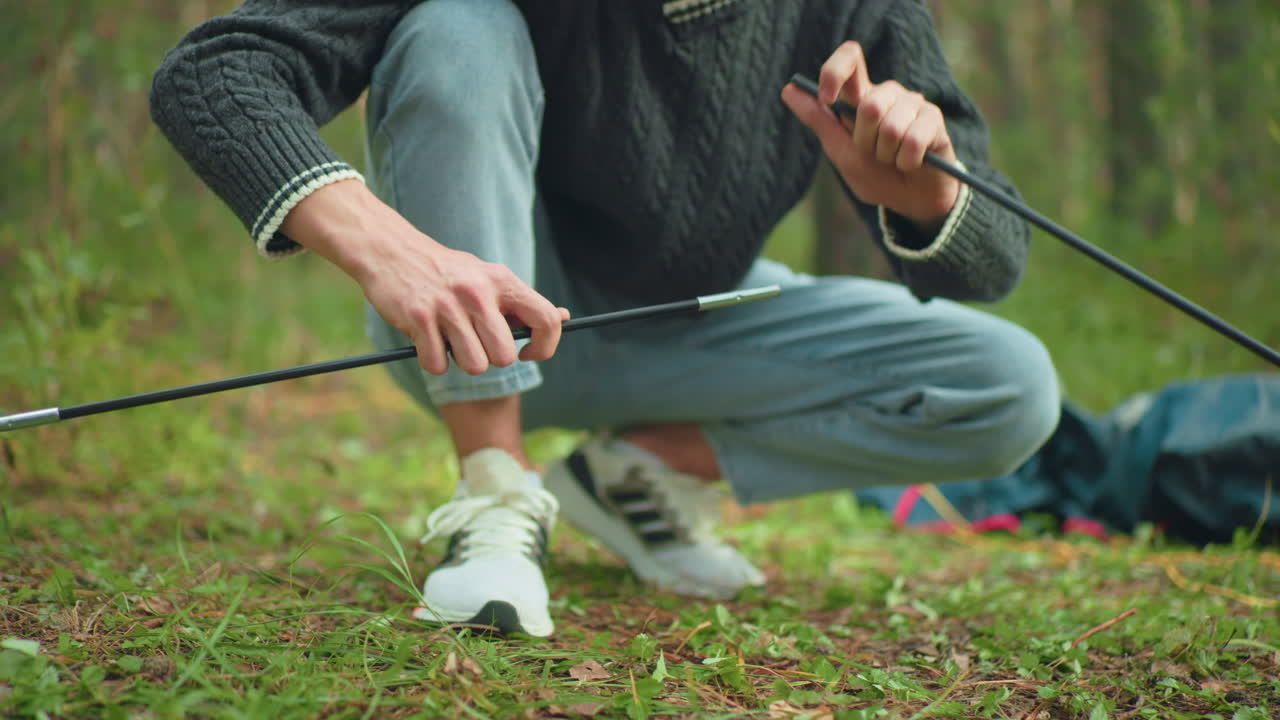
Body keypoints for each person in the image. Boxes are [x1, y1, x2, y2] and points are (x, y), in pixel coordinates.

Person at [150, 0, 1060, 637]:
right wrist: (392, 252)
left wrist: (929, 195)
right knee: (457, 26)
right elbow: (213, 71)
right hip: (485, 319)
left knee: (1007, 387)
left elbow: (996, 262)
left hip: (703, 319)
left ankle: (636, 477)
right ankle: (494, 493)